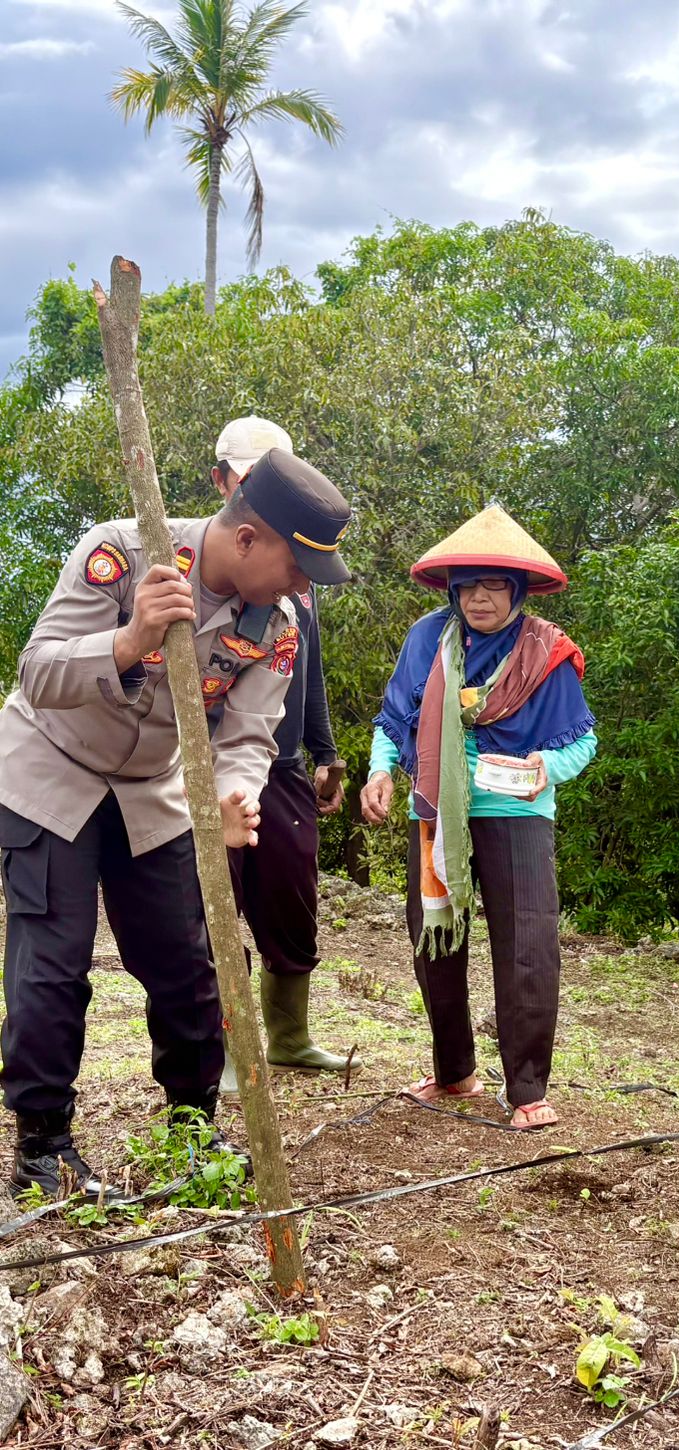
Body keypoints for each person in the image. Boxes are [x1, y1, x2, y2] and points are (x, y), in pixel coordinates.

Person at [0, 451, 354, 1196]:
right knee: (54, 964)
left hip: (153, 786)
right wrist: (128, 641)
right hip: (50, 770)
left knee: (187, 962)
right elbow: (39, 672)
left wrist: (231, 796)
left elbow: (250, 735)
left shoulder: (279, 625)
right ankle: (44, 1146)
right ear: (249, 539)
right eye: (297, 566)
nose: (301, 587)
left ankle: (193, 1128)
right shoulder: (125, 554)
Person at [361, 507, 595, 1130]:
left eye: (493, 585)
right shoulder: (425, 640)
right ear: (452, 589)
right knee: (434, 941)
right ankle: (454, 1073)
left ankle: (525, 1090)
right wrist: (380, 771)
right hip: (436, 812)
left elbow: (581, 742)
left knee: (527, 947)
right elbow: (394, 721)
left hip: (516, 814)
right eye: (468, 585)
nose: (479, 598)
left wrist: (546, 765)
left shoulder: (545, 651)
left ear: (516, 592)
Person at [207, 418, 353, 1091]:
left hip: (282, 758)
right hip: (208, 758)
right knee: (214, 898)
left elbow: (308, 668)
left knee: (291, 893)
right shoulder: (213, 560)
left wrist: (325, 751)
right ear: (225, 482)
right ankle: (227, 1053)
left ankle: (290, 1039)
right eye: (251, 472)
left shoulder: (299, 569)